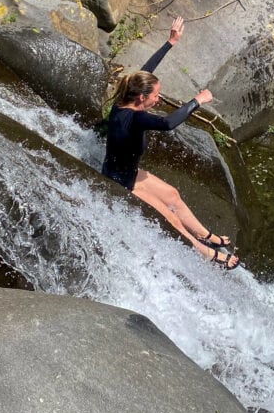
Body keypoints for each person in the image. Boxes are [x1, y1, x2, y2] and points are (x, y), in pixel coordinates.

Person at [102, 15, 239, 269]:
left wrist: (170, 42)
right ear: (142, 98)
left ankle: (206, 235)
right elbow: (167, 124)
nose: (159, 97)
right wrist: (197, 101)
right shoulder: (134, 119)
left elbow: (144, 71)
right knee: (171, 219)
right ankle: (208, 254)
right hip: (120, 182)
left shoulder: (124, 102)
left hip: (126, 172)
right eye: (155, 95)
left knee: (173, 195)